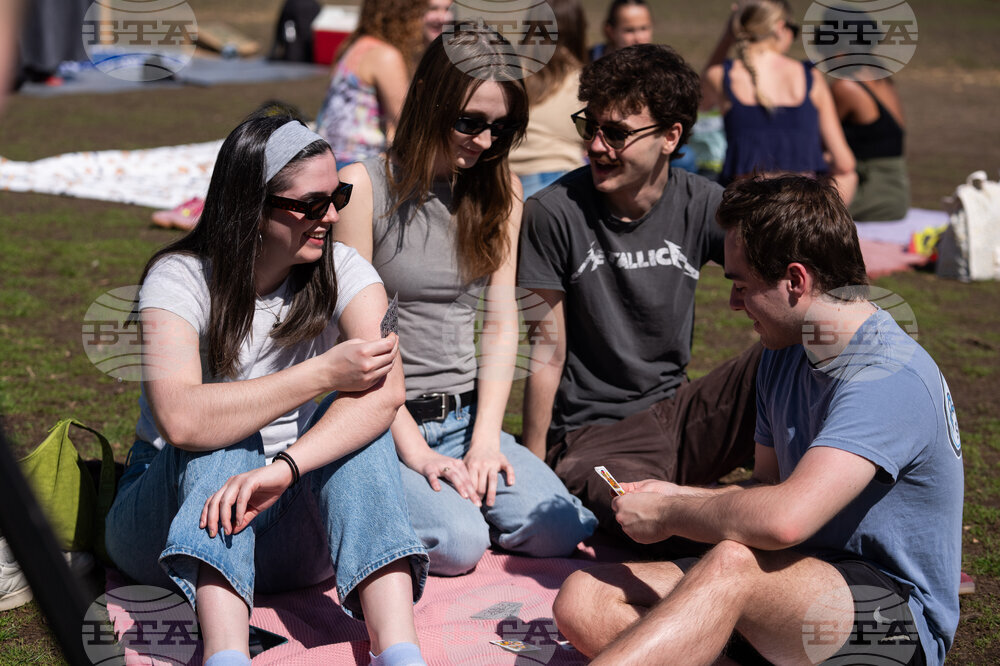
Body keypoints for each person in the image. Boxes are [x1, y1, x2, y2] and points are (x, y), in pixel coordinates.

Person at [552, 174, 964, 666]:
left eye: (741, 285)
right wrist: (675, 494)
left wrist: (669, 514)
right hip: (788, 584)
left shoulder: (886, 376)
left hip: (896, 628)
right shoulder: (785, 351)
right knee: (586, 596)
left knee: (732, 563)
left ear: (796, 280)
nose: (732, 303)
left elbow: (785, 520)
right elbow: (766, 486)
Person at [105, 111, 430, 666]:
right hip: (169, 529)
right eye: (310, 204)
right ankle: (226, 654)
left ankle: (399, 652)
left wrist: (285, 469)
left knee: (361, 430)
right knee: (224, 438)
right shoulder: (180, 277)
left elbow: (385, 395)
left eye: (339, 196)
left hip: (294, 517)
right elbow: (181, 420)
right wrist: (323, 373)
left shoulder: (344, 270)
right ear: (251, 208)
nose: (331, 216)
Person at [335, 32, 597, 576]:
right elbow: (356, 338)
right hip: (381, 419)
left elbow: (502, 325)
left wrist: (483, 442)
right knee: (458, 543)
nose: (483, 141)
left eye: (501, 129)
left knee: (560, 528)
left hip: (464, 415)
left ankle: (456, 502)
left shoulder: (502, 191)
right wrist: (416, 451)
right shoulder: (362, 187)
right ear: (429, 96)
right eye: (469, 121)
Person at [518, 43, 761, 552]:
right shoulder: (552, 214)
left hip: (683, 412)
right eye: (592, 127)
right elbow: (546, 347)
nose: (598, 146)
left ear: (671, 136)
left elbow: (776, 278)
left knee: (802, 350)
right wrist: (535, 461)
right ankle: (743, 516)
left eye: (618, 133)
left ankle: (807, 502)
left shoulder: (705, 204)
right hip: (593, 438)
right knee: (639, 513)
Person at [701, 0, 857, 202]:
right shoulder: (810, 77)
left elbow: (701, 102)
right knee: (848, 176)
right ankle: (824, 231)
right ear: (780, 27)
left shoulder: (721, 76)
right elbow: (844, 163)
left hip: (747, 208)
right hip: (798, 211)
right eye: (793, 28)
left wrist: (729, 35)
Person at [314, 0, 424, 167]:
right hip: (356, 164)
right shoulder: (384, 56)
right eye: (418, 13)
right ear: (404, 17)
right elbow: (406, 123)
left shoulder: (357, 45)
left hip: (328, 159)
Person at [508, 0, 588, 197]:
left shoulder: (510, 72)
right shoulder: (582, 81)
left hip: (505, 180)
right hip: (562, 181)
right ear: (578, 29)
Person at [832, 70, 910, 221]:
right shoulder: (881, 79)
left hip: (869, 193)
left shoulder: (845, 87)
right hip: (896, 197)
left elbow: (821, 139)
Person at [587, 0, 653, 63]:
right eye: (629, 30)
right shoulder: (587, 60)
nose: (639, 38)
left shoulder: (657, 65)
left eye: (644, 28)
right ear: (610, 31)